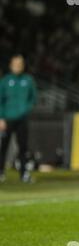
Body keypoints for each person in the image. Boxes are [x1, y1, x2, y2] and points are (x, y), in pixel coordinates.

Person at [0, 54, 37, 183]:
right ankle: (1, 172)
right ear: (11, 65)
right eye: (15, 64)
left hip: (22, 119)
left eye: (20, 64)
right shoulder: (5, 81)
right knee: (3, 147)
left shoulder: (28, 80)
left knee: (23, 147)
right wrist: (1, 118)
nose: (18, 66)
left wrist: (26, 109)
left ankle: (24, 174)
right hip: (7, 119)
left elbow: (33, 98)